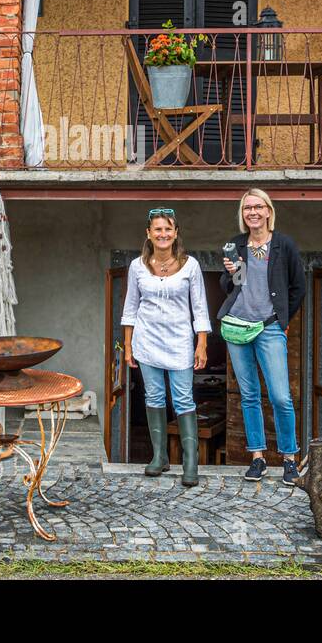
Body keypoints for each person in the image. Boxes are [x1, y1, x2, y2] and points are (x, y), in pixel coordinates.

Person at [219, 188, 306, 485]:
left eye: (258, 207)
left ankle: (289, 459)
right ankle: (257, 458)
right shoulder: (236, 244)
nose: (253, 212)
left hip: (269, 328)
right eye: (247, 208)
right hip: (237, 326)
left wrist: (282, 319)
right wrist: (231, 272)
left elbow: (298, 287)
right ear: (243, 215)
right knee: (249, 395)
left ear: (268, 211)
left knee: (281, 396)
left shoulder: (284, 245)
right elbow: (230, 287)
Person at [121, 207, 211, 487]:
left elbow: (200, 307)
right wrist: (127, 345)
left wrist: (202, 344)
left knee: (183, 398)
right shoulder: (137, 266)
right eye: (157, 229)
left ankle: (190, 462)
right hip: (146, 341)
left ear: (176, 233)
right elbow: (130, 307)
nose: (163, 234)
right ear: (148, 234)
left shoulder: (190, 265)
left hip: (179, 341)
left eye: (168, 229)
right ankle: (159, 457)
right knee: (154, 397)